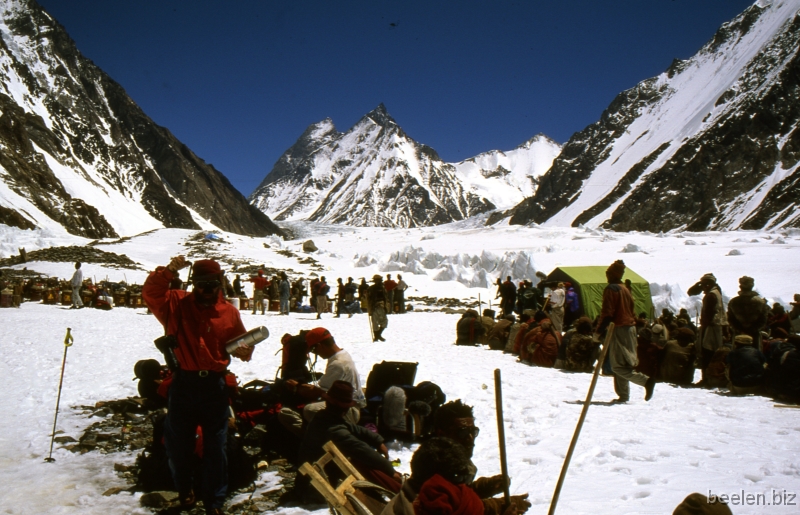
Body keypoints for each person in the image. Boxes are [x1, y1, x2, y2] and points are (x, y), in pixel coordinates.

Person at [142, 257, 253, 515]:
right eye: (201, 284)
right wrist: (168, 271)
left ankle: (214, 501)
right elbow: (150, 292)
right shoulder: (175, 303)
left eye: (212, 284)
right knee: (178, 443)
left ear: (220, 283)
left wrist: (245, 351)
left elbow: (240, 346)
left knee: (217, 445)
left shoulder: (230, 312)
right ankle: (184, 488)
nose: (206, 290)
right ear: (194, 284)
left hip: (214, 385)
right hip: (184, 383)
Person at [298, 380, 401, 494]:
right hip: (315, 486)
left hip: (319, 475)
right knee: (363, 463)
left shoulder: (326, 417)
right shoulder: (334, 429)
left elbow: (355, 428)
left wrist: (378, 441)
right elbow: (361, 449)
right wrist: (390, 471)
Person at [432, 400, 530, 513]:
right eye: (462, 432)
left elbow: (461, 494)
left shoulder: (453, 463)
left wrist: (485, 487)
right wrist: (499, 506)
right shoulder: (434, 467)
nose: (470, 438)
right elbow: (459, 507)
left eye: (473, 432)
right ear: (441, 434)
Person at [598, 260, 655, 403]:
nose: (607, 276)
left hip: (619, 328)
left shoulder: (612, 289)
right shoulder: (625, 289)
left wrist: (598, 331)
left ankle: (645, 381)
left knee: (617, 366)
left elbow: (607, 313)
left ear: (612, 275)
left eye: (608, 274)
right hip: (630, 328)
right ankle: (623, 395)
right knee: (623, 364)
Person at [285, 327, 366, 424]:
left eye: (313, 350)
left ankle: (319, 436)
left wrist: (297, 387)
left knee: (309, 409)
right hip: (347, 404)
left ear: (319, 346)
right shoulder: (342, 355)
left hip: (348, 410)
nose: (316, 354)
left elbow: (318, 392)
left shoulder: (338, 364)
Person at [688, 273, 728, 384]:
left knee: (707, 352)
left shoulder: (711, 295)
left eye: (704, 284)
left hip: (711, 328)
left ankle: (706, 378)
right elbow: (691, 292)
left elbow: (708, 314)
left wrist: (703, 326)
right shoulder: (716, 291)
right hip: (716, 327)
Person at [727, 276, 768, 351]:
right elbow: (763, 320)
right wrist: (753, 329)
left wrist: (740, 330)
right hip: (754, 334)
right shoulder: (760, 302)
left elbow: (730, 319)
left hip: (738, 334)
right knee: (754, 354)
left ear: (740, 286)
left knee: (737, 354)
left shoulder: (733, 302)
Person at [368, 274, 389, 341]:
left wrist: (386, 307)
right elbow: (369, 300)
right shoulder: (371, 289)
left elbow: (385, 298)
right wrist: (370, 309)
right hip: (375, 307)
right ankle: (377, 336)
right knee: (375, 323)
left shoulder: (382, 288)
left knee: (383, 322)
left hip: (381, 307)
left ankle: (377, 336)